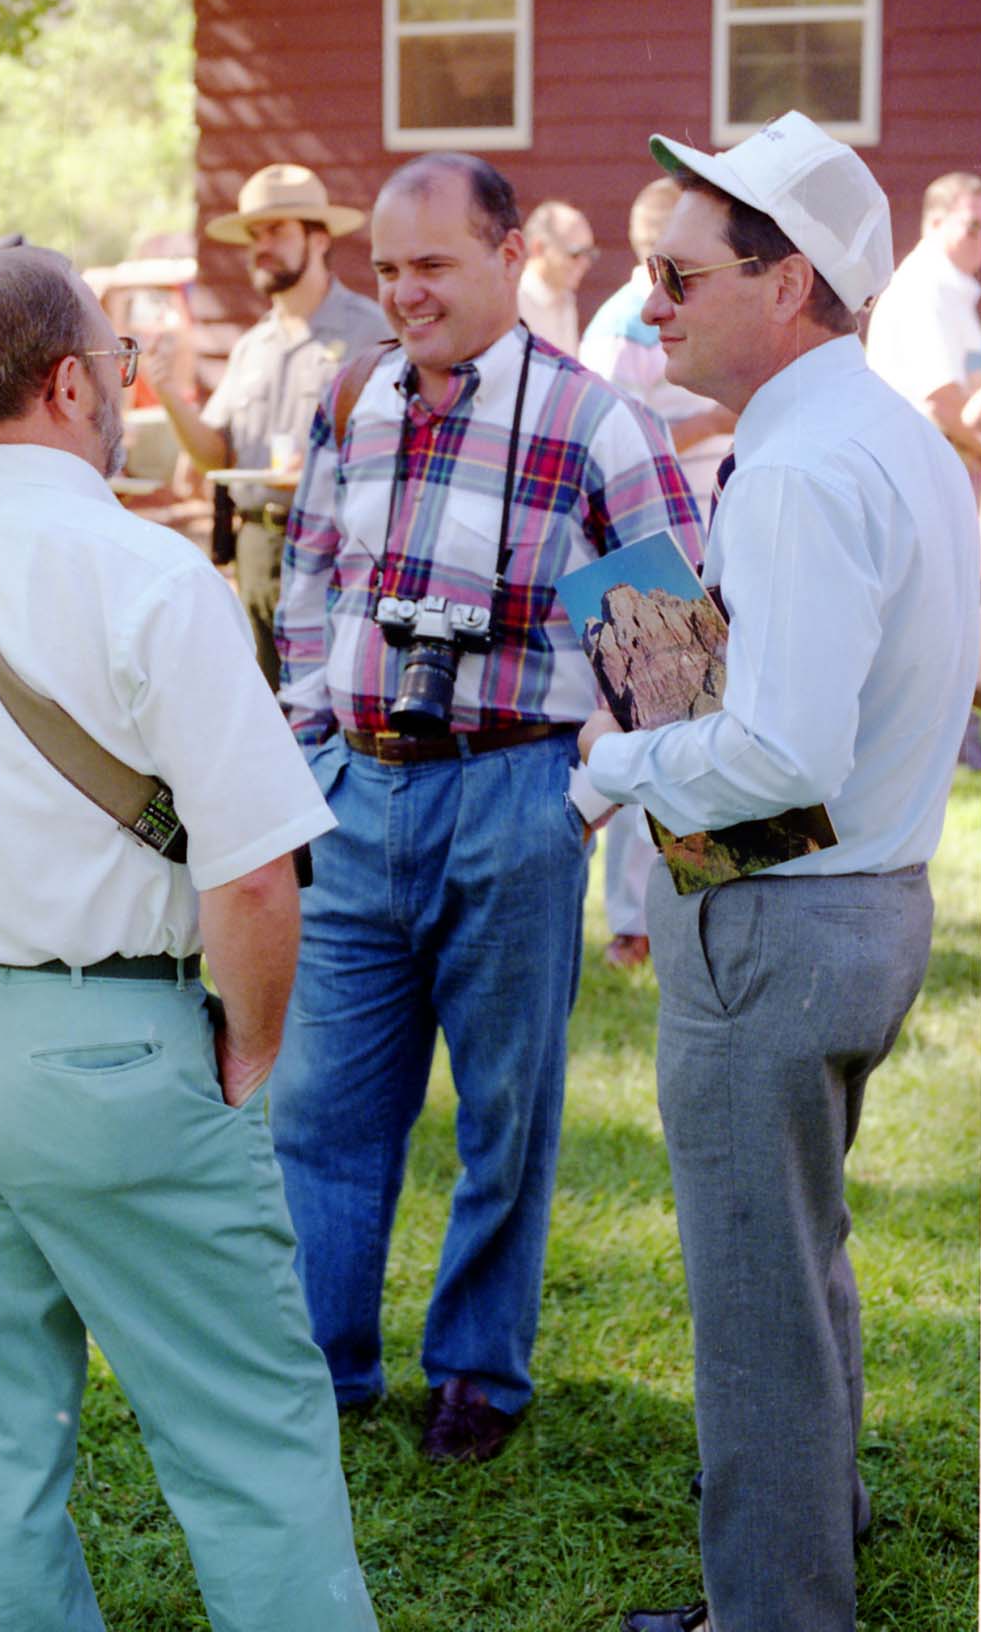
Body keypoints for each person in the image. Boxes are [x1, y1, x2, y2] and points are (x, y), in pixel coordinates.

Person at [0, 244, 378, 1632]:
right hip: (120, 1049)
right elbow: (251, 878)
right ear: (71, 384)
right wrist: (253, 1044)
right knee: (249, 1433)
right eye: (118, 366)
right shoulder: (151, 577)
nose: (124, 390)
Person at [572, 111, 981, 1632]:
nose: (650, 306)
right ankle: (823, 1535)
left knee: (754, 1311)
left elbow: (780, 756)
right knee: (798, 1270)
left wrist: (609, 770)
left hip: (779, 914)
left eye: (677, 278)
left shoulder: (807, 466)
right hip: (858, 903)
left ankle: (778, 1611)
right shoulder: (883, 436)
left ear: (793, 282)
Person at [272, 152, 701, 1461]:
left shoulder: (596, 423)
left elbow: (671, 663)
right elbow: (303, 591)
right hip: (355, 798)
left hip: (517, 794)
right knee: (321, 1117)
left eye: (433, 266)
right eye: (388, 268)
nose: (403, 293)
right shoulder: (352, 396)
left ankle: (477, 1377)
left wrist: (574, 807)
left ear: (510, 258)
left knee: (508, 1115)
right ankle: (325, 1373)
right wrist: (311, 754)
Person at [579, 177, 738, 971]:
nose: (655, 307)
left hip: (682, 530)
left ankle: (694, 904)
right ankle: (640, 925)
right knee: (666, 712)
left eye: (681, 280)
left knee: (684, 719)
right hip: (652, 543)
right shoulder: (621, 329)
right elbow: (617, 425)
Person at [148, 163, 388, 687]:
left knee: (334, 707)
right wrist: (169, 396)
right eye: (256, 234)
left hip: (337, 550)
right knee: (265, 710)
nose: (263, 245)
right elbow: (216, 456)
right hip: (256, 550)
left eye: (278, 230)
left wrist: (327, 468)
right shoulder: (252, 345)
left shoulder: (372, 331)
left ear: (319, 239)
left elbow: (405, 446)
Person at [865, 170, 981, 490]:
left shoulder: (954, 289)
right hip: (919, 471)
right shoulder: (925, 287)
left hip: (941, 462)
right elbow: (941, 398)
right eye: (974, 226)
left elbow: (973, 377)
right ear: (934, 224)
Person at [517, 198, 597, 354]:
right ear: (538, 248)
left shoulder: (565, 299)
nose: (585, 263)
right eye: (575, 254)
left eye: (589, 254)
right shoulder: (512, 303)